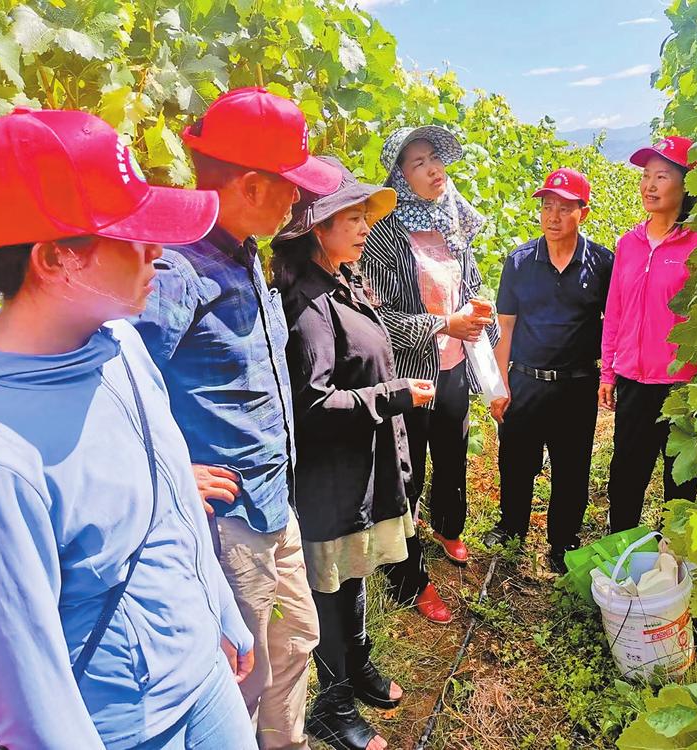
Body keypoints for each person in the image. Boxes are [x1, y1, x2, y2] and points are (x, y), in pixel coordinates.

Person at [0, 108, 257, 749]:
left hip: (205, 685)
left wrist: (217, 605)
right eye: (133, 234)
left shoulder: (120, 344)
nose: (158, 251)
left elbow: (171, 497)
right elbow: (31, 698)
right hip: (123, 730)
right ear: (57, 261)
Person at [134, 87, 342, 750]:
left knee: (296, 637)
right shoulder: (177, 271)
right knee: (240, 670)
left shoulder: (245, 252)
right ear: (251, 186)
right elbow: (115, 384)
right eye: (290, 186)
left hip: (272, 501)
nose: (298, 200)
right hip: (226, 524)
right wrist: (168, 470)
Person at [271, 158, 432, 750]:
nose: (365, 226)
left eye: (366, 215)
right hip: (331, 479)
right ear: (318, 228)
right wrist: (394, 395)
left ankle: (357, 667)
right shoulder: (308, 303)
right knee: (330, 587)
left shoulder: (344, 282)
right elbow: (312, 404)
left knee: (353, 572)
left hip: (359, 468)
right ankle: (332, 706)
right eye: (352, 217)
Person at [360, 126, 498, 621]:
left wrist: (478, 309)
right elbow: (379, 320)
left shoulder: (451, 216)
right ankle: (407, 572)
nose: (433, 168)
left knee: (453, 452)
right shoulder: (385, 233)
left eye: (434, 158)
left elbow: (470, 280)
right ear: (400, 174)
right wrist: (442, 324)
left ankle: (447, 527)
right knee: (408, 471)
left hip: (454, 366)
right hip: (411, 375)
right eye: (418, 162)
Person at [484, 169, 614, 574]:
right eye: (547, 207)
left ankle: (563, 541)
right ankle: (511, 527)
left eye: (563, 208)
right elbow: (505, 327)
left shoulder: (602, 263)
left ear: (583, 213)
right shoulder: (520, 261)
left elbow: (612, 324)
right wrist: (499, 384)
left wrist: (608, 376)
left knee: (572, 467)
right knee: (516, 460)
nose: (552, 216)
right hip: (526, 379)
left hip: (577, 384)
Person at [599, 135, 697, 533]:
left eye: (661, 176)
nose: (649, 185)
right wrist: (609, 372)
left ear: (686, 184)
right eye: (646, 176)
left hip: (683, 386)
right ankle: (621, 551)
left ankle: (672, 557)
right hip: (634, 381)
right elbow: (615, 312)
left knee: (680, 484)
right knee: (626, 476)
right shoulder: (629, 244)